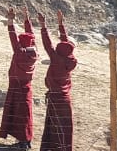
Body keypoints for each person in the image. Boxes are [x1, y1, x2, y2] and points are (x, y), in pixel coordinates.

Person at [38, 11, 77, 151]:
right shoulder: (70, 60)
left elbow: (47, 44)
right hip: (66, 99)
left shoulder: (56, 59)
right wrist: (61, 24)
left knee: (53, 126)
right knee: (64, 127)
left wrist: (43, 26)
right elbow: (66, 45)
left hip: (55, 97)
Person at [0, 8, 38, 149]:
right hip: (26, 87)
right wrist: (26, 19)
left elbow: (12, 36)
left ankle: (23, 142)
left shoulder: (19, 52)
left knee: (18, 114)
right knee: (25, 114)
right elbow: (31, 36)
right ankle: (25, 140)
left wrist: (10, 21)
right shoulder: (34, 52)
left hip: (16, 86)